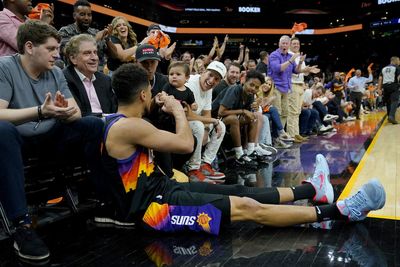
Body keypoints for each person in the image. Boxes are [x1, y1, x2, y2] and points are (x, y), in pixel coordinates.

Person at [102, 62, 386, 238]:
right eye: (150, 92)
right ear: (143, 94)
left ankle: (311, 191)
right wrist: (177, 110)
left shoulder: (123, 122)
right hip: (155, 211)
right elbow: (187, 144)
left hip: (163, 190)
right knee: (248, 208)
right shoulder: (128, 127)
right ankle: (341, 211)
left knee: (241, 192)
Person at [0, 20, 107, 261]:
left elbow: (76, 112)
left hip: (49, 137)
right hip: (19, 141)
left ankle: (103, 198)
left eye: (57, 49)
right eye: (50, 49)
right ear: (29, 47)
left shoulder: (56, 71)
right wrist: (41, 111)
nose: (56, 55)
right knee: (2, 130)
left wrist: (63, 111)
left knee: (92, 124)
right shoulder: (5, 67)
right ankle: (21, 226)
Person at [216, 70, 272, 165]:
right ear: (244, 81)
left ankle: (250, 151)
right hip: (216, 120)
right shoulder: (234, 89)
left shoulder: (250, 95)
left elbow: (247, 115)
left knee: (253, 117)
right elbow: (221, 112)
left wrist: (253, 108)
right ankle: (239, 154)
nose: (253, 88)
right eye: (251, 85)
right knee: (234, 119)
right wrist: (243, 111)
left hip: (230, 120)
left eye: (257, 87)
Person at [184, 61, 227, 183]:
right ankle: (193, 169)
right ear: (203, 72)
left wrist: (207, 131)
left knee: (221, 126)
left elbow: (207, 112)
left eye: (216, 79)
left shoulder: (209, 89)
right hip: (180, 121)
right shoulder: (191, 83)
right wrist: (212, 121)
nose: (212, 80)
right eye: (210, 75)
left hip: (194, 121)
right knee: (200, 125)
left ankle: (205, 164)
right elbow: (187, 114)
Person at [63, 34, 117, 116]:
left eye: (95, 52)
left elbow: (114, 109)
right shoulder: (64, 79)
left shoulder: (105, 80)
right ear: (73, 58)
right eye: (87, 53)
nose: (94, 58)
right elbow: (78, 114)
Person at [58, 0, 114, 69]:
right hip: (74, 76)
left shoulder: (96, 32)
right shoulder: (65, 31)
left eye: (89, 15)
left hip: (97, 76)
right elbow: (67, 52)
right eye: (82, 14)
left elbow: (114, 56)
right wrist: (95, 39)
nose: (86, 18)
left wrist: (108, 38)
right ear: (74, 15)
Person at [377, 56, 400, 124]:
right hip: (393, 85)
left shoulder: (383, 68)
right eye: (399, 60)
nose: (399, 62)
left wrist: (379, 89)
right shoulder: (397, 67)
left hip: (385, 86)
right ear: (395, 61)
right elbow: (399, 77)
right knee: (395, 101)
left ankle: (389, 116)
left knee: (388, 101)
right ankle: (391, 116)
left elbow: (380, 79)